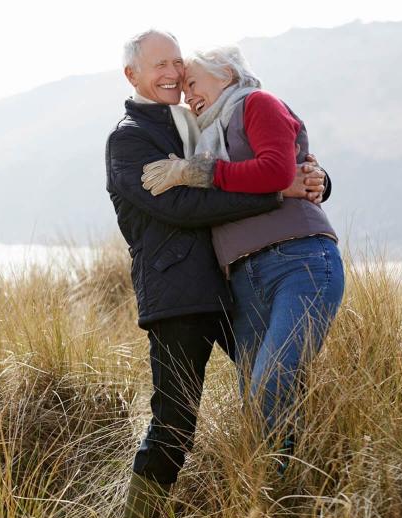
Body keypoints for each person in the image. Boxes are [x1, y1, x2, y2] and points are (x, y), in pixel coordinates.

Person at [105, 30, 328, 518]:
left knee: (274, 389)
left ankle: (284, 506)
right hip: (179, 296)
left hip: (235, 284)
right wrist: (278, 192)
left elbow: (260, 157)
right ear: (132, 74)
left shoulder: (203, 119)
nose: (172, 74)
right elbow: (179, 206)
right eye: (158, 64)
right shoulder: (128, 138)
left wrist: (314, 177)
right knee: (175, 423)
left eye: (176, 64)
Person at [140, 46, 344, 470]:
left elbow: (276, 171)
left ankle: (283, 487)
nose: (187, 94)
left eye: (193, 82)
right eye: (183, 88)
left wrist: (198, 172)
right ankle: (279, 493)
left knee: (272, 378)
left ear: (227, 74)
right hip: (243, 277)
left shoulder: (257, 102)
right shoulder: (203, 135)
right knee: (256, 395)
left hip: (299, 260)